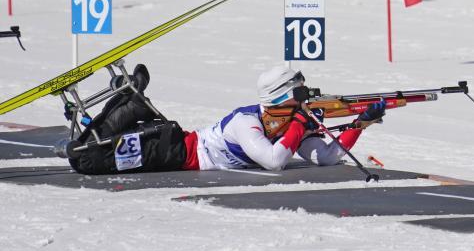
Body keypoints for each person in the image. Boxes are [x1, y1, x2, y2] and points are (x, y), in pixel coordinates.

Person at [66, 64, 385, 175]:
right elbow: (274, 162)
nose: (304, 101)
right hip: (177, 150)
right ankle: (130, 100)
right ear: (279, 98)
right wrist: (302, 123)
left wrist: (360, 125)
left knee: (90, 157)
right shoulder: (246, 122)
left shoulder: (289, 127)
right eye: (298, 95)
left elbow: (327, 157)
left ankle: (133, 103)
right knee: (85, 160)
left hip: (174, 152)